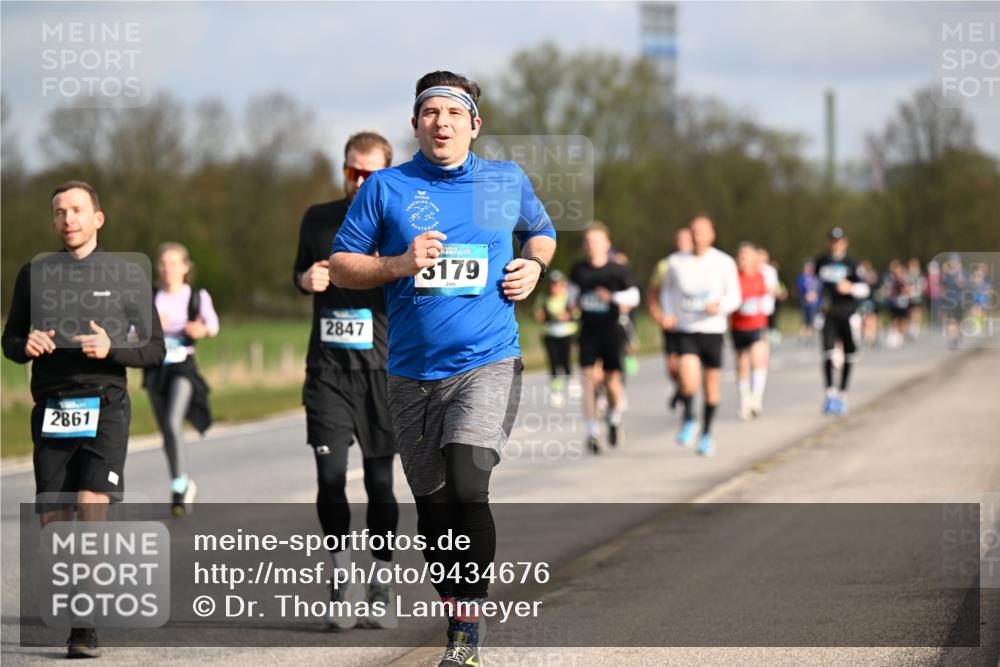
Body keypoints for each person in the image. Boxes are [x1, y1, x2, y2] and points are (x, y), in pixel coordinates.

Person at [329, 71, 555, 666]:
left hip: (487, 361)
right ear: (415, 125)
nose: (442, 123)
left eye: (453, 114)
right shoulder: (385, 187)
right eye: (430, 113)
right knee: (431, 506)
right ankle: (454, 601)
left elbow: (543, 233)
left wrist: (533, 266)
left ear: (474, 126)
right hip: (409, 372)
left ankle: (466, 633)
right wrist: (398, 263)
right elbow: (342, 265)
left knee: (467, 484)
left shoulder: (504, 182)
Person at [1, 181, 165, 658]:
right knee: (55, 521)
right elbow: (10, 341)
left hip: (106, 404)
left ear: (98, 218)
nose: (67, 218)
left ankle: (84, 623)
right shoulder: (34, 273)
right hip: (52, 408)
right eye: (59, 212)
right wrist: (24, 346)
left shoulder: (126, 274)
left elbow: (156, 348)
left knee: (92, 506)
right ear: (53, 222)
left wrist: (112, 348)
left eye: (77, 209)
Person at [293, 131, 400, 630]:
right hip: (328, 372)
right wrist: (305, 281)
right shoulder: (318, 218)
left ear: (385, 173)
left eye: (368, 174)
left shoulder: (395, 219)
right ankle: (341, 579)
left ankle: (380, 582)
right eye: (351, 172)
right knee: (330, 478)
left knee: (380, 485)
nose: (357, 181)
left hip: (381, 372)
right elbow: (299, 272)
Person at [144, 242, 219, 516]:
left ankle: (177, 487)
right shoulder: (150, 297)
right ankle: (183, 481)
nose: (168, 269)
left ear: (185, 267)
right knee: (166, 429)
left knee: (174, 421)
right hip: (154, 368)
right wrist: (152, 327)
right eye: (163, 263)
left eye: (174, 263)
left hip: (183, 367)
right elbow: (130, 333)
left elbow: (212, 325)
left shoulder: (196, 296)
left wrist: (201, 330)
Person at [658, 216, 741, 457]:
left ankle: (706, 433)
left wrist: (720, 306)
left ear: (712, 234)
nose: (697, 236)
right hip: (686, 329)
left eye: (702, 232)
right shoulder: (675, 262)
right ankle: (689, 418)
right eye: (694, 231)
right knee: (687, 375)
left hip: (713, 330)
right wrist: (669, 313)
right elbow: (667, 292)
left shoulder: (723, 262)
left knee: (711, 385)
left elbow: (735, 296)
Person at [569, 222, 640, 454]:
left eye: (597, 241)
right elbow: (571, 296)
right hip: (588, 331)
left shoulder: (616, 270)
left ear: (607, 244)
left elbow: (634, 296)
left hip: (611, 331)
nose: (592, 246)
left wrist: (612, 297)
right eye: (588, 242)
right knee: (588, 381)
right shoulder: (578, 270)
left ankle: (614, 418)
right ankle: (592, 433)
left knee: (612, 382)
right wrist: (573, 304)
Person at [814, 227, 870, 415]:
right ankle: (830, 393)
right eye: (832, 240)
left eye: (839, 241)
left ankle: (843, 394)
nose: (836, 244)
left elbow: (865, 289)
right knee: (828, 353)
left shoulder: (852, 263)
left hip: (848, 313)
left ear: (844, 242)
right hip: (828, 313)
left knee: (849, 354)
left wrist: (850, 287)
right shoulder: (821, 262)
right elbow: (813, 283)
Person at [648, 227, 694, 412]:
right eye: (679, 239)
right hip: (671, 322)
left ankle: (688, 408)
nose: (682, 243)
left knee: (688, 366)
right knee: (673, 368)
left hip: (691, 323)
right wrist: (659, 315)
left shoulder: (699, 264)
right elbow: (653, 293)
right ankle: (681, 390)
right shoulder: (665, 265)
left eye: (686, 239)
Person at [731, 242, 770, 420]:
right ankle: (745, 399)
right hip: (738, 324)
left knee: (757, 357)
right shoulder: (733, 277)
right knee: (741, 362)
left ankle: (756, 397)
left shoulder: (760, 276)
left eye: (747, 256)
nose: (743, 259)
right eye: (741, 256)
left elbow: (765, 297)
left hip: (756, 323)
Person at [533, 270, 577, 408]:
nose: (555, 287)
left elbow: (576, 312)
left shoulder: (568, 296)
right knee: (553, 363)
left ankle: (571, 382)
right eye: (552, 284)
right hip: (550, 334)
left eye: (557, 284)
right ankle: (556, 391)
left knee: (566, 361)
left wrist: (568, 315)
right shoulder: (544, 298)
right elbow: (537, 313)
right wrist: (539, 315)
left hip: (566, 333)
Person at [882, 260, 912, 350]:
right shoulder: (890, 279)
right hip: (894, 303)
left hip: (903, 303)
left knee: (902, 321)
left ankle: (902, 337)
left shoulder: (905, 278)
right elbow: (887, 290)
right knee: (894, 320)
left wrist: (905, 292)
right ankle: (896, 336)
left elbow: (909, 290)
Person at [796, 260, 821, 342]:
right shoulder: (801, 278)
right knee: (804, 320)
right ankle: (802, 338)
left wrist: (815, 296)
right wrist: (805, 296)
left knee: (811, 321)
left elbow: (819, 289)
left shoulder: (816, 278)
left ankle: (809, 339)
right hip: (804, 302)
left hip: (814, 303)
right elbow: (799, 289)